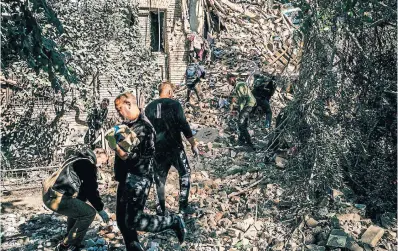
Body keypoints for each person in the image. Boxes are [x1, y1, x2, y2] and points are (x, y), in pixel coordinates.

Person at [106, 92, 186, 251]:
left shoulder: (143, 128)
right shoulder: (131, 124)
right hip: (126, 178)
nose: (118, 113)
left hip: (138, 179)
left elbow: (123, 154)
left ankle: (173, 221)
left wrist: (113, 143)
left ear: (129, 104)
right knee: (122, 221)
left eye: (119, 109)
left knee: (135, 220)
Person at [145, 82, 199, 216]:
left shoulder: (149, 107)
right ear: (169, 91)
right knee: (185, 173)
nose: (173, 94)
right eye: (172, 92)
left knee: (159, 178)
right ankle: (183, 207)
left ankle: (160, 211)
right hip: (175, 147)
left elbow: (145, 130)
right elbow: (183, 125)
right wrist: (193, 143)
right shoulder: (175, 105)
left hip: (157, 150)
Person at [42, 146, 110, 251]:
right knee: (89, 213)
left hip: (49, 194)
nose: (101, 165)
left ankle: (71, 240)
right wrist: (100, 209)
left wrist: (82, 201)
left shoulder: (77, 159)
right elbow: (91, 190)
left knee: (79, 208)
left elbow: (83, 191)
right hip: (56, 197)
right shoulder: (88, 164)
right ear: (98, 155)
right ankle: (66, 245)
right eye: (103, 161)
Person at [227, 72, 257, 150]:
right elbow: (241, 100)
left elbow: (243, 98)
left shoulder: (239, 85)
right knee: (243, 124)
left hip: (248, 104)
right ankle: (241, 140)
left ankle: (250, 144)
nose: (229, 83)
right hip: (249, 104)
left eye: (229, 81)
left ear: (232, 78)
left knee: (241, 123)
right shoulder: (239, 85)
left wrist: (240, 109)